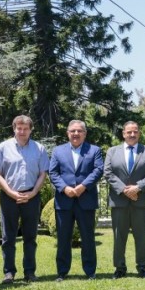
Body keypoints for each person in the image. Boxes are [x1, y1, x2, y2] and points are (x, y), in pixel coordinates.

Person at [0, 115, 49, 284]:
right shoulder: (3, 147)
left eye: (25, 128)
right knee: (8, 237)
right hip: (9, 197)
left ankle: (30, 272)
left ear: (31, 130)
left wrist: (33, 193)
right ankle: (9, 272)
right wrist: (10, 192)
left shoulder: (39, 148)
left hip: (31, 197)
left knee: (30, 237)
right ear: (14, 128)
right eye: (19, 128)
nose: (22, 131)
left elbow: (43, 173)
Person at [49, 120, 104, 281]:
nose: (76, 134)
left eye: (79, 131)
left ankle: (90, 271)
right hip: (64, 200)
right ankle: (62, 272)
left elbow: (98, 170)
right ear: (67, 133)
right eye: (72, 131)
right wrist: (65, 188)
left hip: (85, 200)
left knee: (88, 237)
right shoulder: (58, 151)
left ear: (85, 134)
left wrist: (83, 186)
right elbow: (53, 173)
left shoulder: (94, 150)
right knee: (63, 238)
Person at [104, 121, 145, 279]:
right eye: (129, 132)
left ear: (139, 133)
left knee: (141, 236)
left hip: (140, 201)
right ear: (123, 133)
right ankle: (119, 268)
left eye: (135, 132)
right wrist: (124, 190)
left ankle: (142, 267)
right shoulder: (112, 152)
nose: (132, 135)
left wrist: (138, 188)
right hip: (119, 202)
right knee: (118, 236)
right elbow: (108, 173)